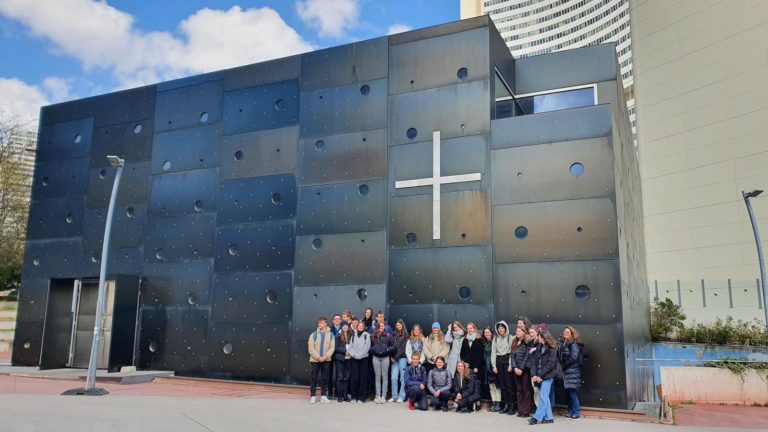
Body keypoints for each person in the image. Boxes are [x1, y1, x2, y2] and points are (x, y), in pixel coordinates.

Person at [529, 329, 561, 425]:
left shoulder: (552, 349)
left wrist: (540, 376)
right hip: (539, 375)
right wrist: (534, 375)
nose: (537, 338)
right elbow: (533, 362)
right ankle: (549, 418)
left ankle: (536, 417)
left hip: (547, 376)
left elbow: (550, 365)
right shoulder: (539, 347)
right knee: (544, 397)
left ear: (543, 338)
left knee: (543, 397)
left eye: (539, 337)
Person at [307, 316, 335, 404]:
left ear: (325, 323)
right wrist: (318, 357)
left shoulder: (331, 335)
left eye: (321, 323)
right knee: (313, 378)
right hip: (315, 360)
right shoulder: (313, 334)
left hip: (326, 360)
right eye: (319, 323)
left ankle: (323, 396)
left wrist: (325, 357)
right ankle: (313, 396)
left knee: (325, 378)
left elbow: (332, 348)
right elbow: (310, 349)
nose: (319, 324)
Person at [559, 326, 584, 420]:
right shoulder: (563, 343)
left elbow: (573, 357)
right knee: (568, 393)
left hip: (572, 371)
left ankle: (576, 413)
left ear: (572, 334)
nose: (565, 333)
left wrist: (564, 366)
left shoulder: (573, 343)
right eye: (564, 332)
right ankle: (570, 412)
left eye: (567, 332)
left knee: (572, 392)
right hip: (566, 371)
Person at [491, 321, 515, 414]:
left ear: (505, 328)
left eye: (502, 328)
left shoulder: (510, 337)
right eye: (499, 328)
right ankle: (505, 405)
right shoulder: (495, 338)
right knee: (502, 385)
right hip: (499, 361)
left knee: (509, 385)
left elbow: (512, 352)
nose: (500, 329)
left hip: (507, 360)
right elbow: (493, 352)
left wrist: (510, 364)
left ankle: (511, 406)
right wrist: (494, 366)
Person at [511, 326, 535, 417]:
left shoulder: (527, 342)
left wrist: (521, 368)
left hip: (524, 370)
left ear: (524, 332)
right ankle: (520, 409)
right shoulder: (515, 342)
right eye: (516, 331)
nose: (517, 332)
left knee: (526, 389)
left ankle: (526, 411)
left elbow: (527, 356)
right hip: (516, 369)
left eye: (519, 331)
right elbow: (512, 356)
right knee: (519, 390)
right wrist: (515, 367)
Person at [460, 322, 484, 411]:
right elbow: (462, 352)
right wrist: (464, 362)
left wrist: (476, 366)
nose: (469, 330)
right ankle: (469, 403)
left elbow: (480, 354)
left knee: (476, 385)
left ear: (474, 329)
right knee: (468, 385)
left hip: (477, 367)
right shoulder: (465, 340)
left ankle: (477, 402)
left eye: (471, 328)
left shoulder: (479, 339)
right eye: (468, 328)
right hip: (467, 366)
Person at [370, 321, 395, 403]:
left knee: (384, 376)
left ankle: (383, 396)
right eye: (380, 326)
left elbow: (394, 346)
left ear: (384, 327)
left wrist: (387, 349)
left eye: (382, 326)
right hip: (376, 357)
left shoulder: (388, 335)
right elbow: (369, 347)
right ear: (377, 327)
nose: (381, 327)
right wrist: (374, 350)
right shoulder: (373, 336)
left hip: (385, 358)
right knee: (377, 376)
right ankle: (377, 396)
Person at [348, 320, 371, 403]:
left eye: (362, 326)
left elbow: (367, 347)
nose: (360, 327)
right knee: (354, 378)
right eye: (359, 326)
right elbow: (350, 347)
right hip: (354, 359)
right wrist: (354, 355)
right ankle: (354, 397)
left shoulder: (367, 335)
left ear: (363, 327)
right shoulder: (353, 335)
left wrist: (360, 355)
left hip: (363, 359)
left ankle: (361, 398)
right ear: (357, 327)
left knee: (362, 378)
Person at [333, 321, 353, 402]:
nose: (345, 327)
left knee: (346, 377)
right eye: (343, 326)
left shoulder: (350, 335)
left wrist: (351, 352)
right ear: (341, 327)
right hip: (340, 359)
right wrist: (345, 351)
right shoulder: (337, 336)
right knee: (340, 377)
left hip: (349, 359)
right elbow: (335, 348)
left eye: (346, 326)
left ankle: (345, 396)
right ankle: (339, 396)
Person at [389, 319, 409, 403]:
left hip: (402, 358)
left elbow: (403, 348)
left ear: (402, 325)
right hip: (393, 359)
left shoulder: (406, 335)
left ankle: (401, 396)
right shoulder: (392, 334)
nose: (398, 326)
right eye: (397, 325)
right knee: (394, 378)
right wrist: (391, 356)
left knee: (402, 378)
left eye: (400, 325)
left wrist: (395, 357)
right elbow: (390, 346)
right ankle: (394, 396)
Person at [482, 326, 501, 411]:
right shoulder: (485, 343)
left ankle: (498, 404)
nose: (486, 334)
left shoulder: (495, 341)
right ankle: (494, 404)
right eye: (485, 332)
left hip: (494, 365)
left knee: (497, 386)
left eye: (488, 332)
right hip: (487, 366)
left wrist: (494, 366)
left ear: (491, 333)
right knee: (491, 386)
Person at [527, 325, 542, 407]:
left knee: (541, 391)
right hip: (533, 370)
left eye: (533, 332)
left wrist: (536, 349)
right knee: (535, 390)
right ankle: (538, 408)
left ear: (537, 332)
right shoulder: (530, 343)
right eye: (530, 332)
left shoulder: (540, 343)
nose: (531, 334)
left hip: (539, 371)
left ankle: (542, 410)